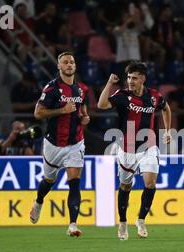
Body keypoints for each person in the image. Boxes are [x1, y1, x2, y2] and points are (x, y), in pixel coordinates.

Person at [97, 61, 172, 240]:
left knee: (150, 183)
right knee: (125, 186)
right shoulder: (122, 95)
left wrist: (168, 130)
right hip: (127, 149)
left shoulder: (154, 96)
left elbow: (166, 108)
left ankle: (140, 220)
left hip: (149, 147)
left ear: (143, 79)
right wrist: (109, 83)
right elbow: (101, 105)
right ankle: (122, 223)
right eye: (129, 77)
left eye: (135, 78)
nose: (130, 81)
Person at [29, 51, 90, 237]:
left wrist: (85, 117)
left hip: (75, 143)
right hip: (54, 143)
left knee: (74, 183)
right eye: (65, 62)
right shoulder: (52, 88)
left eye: (72, 62)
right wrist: (62, 110)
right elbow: (38, 113)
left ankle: (72, 225)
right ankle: (39, 201)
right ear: (59, 66)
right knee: (49, 180)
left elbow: (82, 109)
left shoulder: (81, 89)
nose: (69, 64)